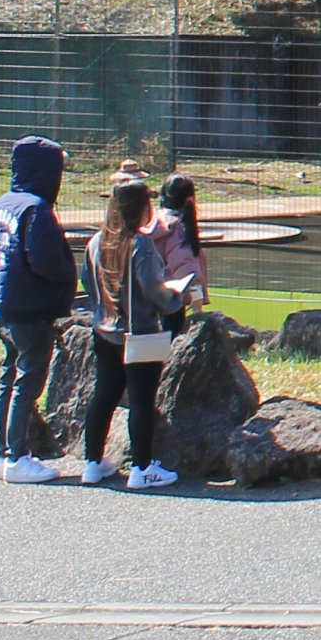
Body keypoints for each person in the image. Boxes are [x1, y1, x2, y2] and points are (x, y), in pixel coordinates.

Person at [79, 176, 189, 488]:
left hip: (104, 329)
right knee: (141, 400)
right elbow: (154, 290)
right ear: (142, 208)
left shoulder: (96, 242)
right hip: (140, 332)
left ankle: (92, 462)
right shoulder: (140, 244)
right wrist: (177, 296)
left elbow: (86, 279)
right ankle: (142, 469)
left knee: (104, 395)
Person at [0, 135, 74, 484]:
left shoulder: (2, 204)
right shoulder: (36, 209)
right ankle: (17, 457)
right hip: (31, 307)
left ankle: (1, 452)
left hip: (3, 303)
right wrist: (66, 278)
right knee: (28, 381)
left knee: (8, 378)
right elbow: (44, 259)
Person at [147, 173, 210, 314]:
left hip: (147, 299)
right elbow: (185, 266)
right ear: (190, 199)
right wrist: (197, 301)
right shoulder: (179, 229)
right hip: (171, 302)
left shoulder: (150, 223)